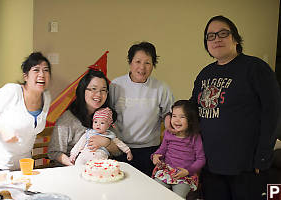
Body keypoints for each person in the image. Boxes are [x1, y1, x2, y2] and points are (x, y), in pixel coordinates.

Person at [190, 15, 281, 200]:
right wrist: (172, 116)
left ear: (236, 38)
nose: (217, 39)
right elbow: (193, 108)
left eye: (223, 33)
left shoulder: (255, 68)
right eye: (211, 36)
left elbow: (272, 114)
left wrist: (263, 157)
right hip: (211, 165)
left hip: (245, 167)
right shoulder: (205, 73)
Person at [109, 41, 174, 176]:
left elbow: (170, 115)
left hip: (150, 150)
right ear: (130, 63)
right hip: (120, 148)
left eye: (147, 63)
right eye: (138, 61)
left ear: (153, 65)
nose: (142, 67)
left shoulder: (161, 88)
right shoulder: (116, 85)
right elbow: (107, 114)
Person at [0, 52, 52, 171]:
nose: (42, 74)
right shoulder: (12, 91)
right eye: (36, 70)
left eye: (46, 70)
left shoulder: (46, 97)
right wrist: (2, 130)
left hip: (24, 166)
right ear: (26, 76)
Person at [48, 69, 119, 166]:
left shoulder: (107, 115)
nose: (98, 94)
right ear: (83, 90)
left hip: (100, 170)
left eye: (103, 90)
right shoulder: (68, 119)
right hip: (71, 170)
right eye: (93, 89)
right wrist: (76, 165)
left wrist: (106, 143)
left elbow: (118, 150)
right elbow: (54, 152)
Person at [151, 100, 205, 199]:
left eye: (182, 117)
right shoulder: (168, 133)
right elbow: (161, 150)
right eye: (174, 116)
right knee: (155, 191)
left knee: (177, 197)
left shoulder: (195, 137)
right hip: (167, 171)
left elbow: (201, 159)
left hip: (185, 175)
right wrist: (155, 156)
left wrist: (188, 171)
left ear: (191, 119)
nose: (176, 120)